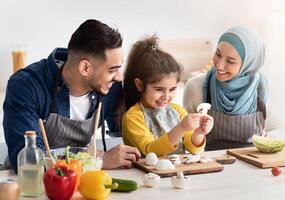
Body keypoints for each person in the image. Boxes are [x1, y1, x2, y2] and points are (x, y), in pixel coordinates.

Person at [3, 19, 140, 172]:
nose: (119, 77)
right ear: (85, 67)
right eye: (112, 70)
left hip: (80, 185)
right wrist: (98, 161)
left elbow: (129, 129)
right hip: (30, 186)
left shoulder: (110, 88)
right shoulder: (26, 86)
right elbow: (30, 162)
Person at [183, 26, 277, 150]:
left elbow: (275, 130)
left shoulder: (263, 87)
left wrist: (270, 138)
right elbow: (186, 140)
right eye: (218, 54)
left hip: (253, 163)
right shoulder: (196, 86)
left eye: (230, 61)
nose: (219, 66)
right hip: (212, 164)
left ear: (248, 64)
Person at [122, 35, 214, 157]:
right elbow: (150, 151)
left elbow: (193, 150)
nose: (166, 96)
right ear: (139, 85)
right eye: (159, 89)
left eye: (172, 89)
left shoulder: (178, 111)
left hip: (175, 174)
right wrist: (181, 128)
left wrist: (198, 133)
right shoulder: (133, 117)